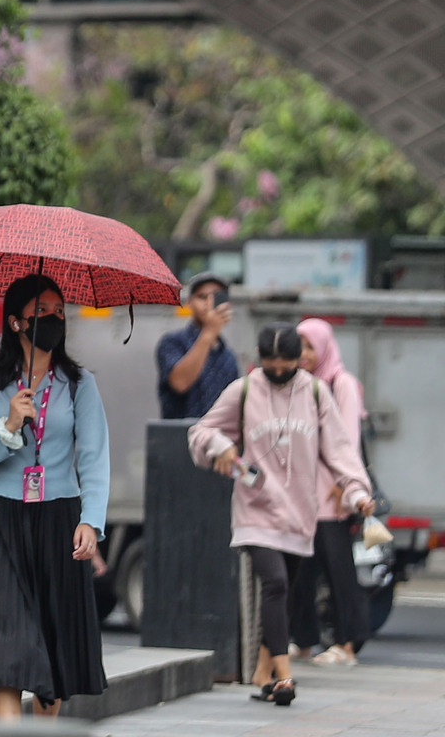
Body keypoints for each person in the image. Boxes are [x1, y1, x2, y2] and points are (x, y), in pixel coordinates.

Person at [188, 322, 375, 706]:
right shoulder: (243, 391)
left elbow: (340, 450)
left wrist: (357, 492)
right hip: (255, 508)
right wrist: (221, 446)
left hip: (299, 513)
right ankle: (284, 676)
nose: (277, 372)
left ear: (299, 362)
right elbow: (200, 430)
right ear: (260, 361)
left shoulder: (317, 393)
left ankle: (261, 669)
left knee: (285, 591)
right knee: (274, 584)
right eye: (269, 365)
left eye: (285, 365)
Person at [0, 273, 109, 719]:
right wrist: (7, 429)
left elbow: (95, 459)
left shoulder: (79, 384)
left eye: (60, 311)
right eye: (42, 312)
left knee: (52, 642)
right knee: (8, 640)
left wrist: (90, 522)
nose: (55, 319)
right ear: (17, 322)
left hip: (59, 519)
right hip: (0, 518)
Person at [288, 317, 371, 666]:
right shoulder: (299, 383)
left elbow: (347, 437)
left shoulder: (341, 382)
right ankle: (304, 639)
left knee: (338, 570)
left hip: (332, 494)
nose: (304, 354)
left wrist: (345, 484)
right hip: (302, 495)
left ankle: (347, 643)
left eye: (310, 346)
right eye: (300, 346)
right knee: (300, 572)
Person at [156, 271, 238, 418]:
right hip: (178, 436)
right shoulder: (172, 342)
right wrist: (208, 333)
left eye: (217, 297)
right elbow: (179, 383)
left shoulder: (228, 356)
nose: (209, 303)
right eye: (202, 297)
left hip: (218, 437)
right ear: (189, 302)